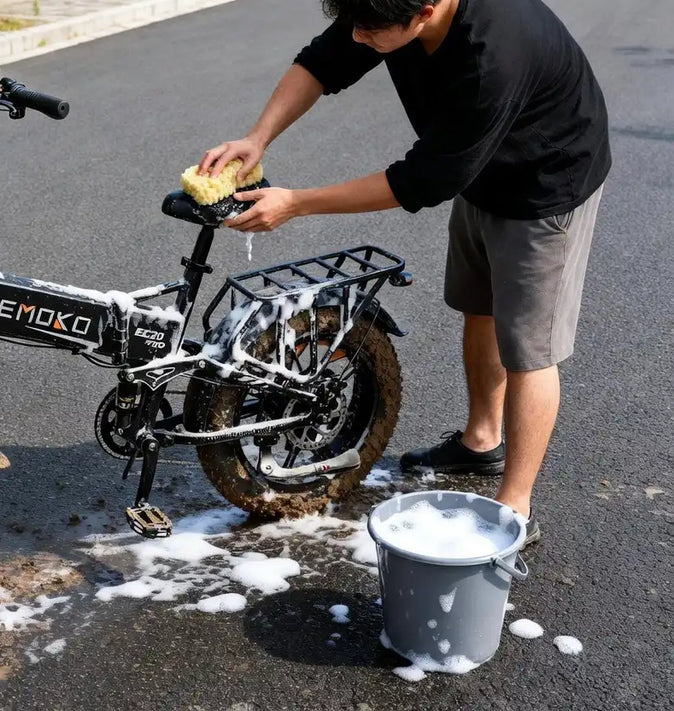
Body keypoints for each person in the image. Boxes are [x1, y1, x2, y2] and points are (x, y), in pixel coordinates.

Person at [198, 0, 610, 544]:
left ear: (428, 10)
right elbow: (321, 62)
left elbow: (422, 180)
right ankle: (481, 441)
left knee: (531, 349)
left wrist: (295, 202)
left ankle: (514, 508)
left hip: (546, 182)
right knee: (480, 304)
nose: (359, 38)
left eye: (371, 31)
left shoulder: (494, 55)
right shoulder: (384, 7)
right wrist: (258, 138)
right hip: (481, 168)